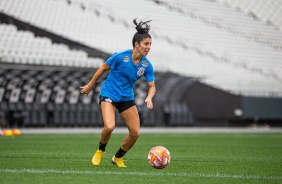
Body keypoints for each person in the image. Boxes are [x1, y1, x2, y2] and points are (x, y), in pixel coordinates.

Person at [80, 18, 156, 168]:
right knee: (109, 127)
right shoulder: (120, 56)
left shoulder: (147, 65)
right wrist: (90, 85)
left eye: (150, 44)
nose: (149, 47)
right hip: (109, 93)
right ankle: (101, 150)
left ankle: (117, 157)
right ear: (137, 44)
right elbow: (103, 68)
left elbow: (152, 86)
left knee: (135, 133)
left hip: (126, 97)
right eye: (146, 44)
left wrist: (149, 96)